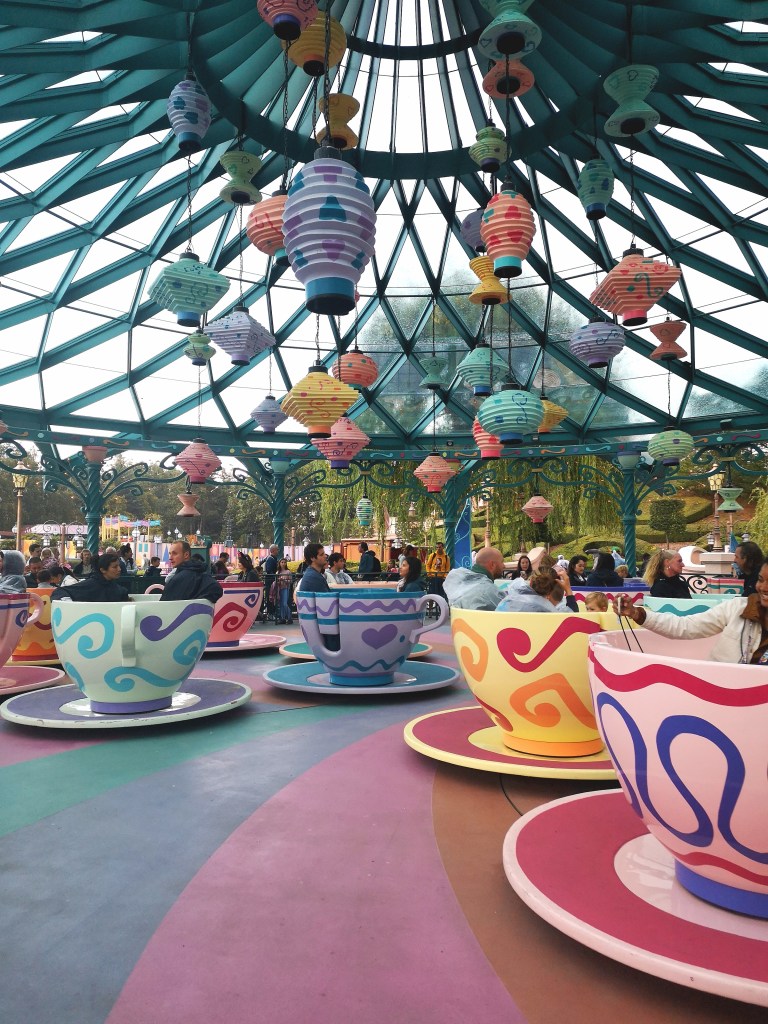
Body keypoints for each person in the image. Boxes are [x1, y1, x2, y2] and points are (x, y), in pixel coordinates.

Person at [615, 558, 768, 664]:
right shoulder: (738, 608)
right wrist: (637, 613)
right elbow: (685, 626)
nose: (763, 587)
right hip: (721, 695)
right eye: (760, 580)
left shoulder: (681, 582)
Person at [51, 552, 129, 603]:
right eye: (115, 567)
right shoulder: (90, 585)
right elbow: (59, 592)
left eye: (119, 566)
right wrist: (69, 605)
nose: (119, 569)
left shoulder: (119, 589)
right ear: (103, 570)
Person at [496, 568, 578, 614]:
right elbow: (573, 621)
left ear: (530, 581)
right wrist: (568, 591)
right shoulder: (547, 611)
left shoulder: (508, 600)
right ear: (550, 593)